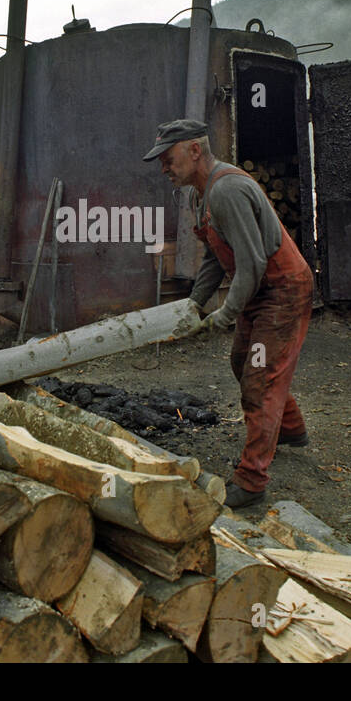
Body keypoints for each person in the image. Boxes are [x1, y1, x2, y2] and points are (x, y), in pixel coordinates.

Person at [142, 119, 314, 508]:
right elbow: (215, 258)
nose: (163, 168)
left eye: (168, 159)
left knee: (260, 378)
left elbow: (252, 263)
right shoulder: (198, 196)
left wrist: (223, 317)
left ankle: (252, 481)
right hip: (258, 289)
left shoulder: (228, 191)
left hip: (281, 289)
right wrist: (194, 303)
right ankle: (291, 430)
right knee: (243, 362)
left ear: (195, 151)